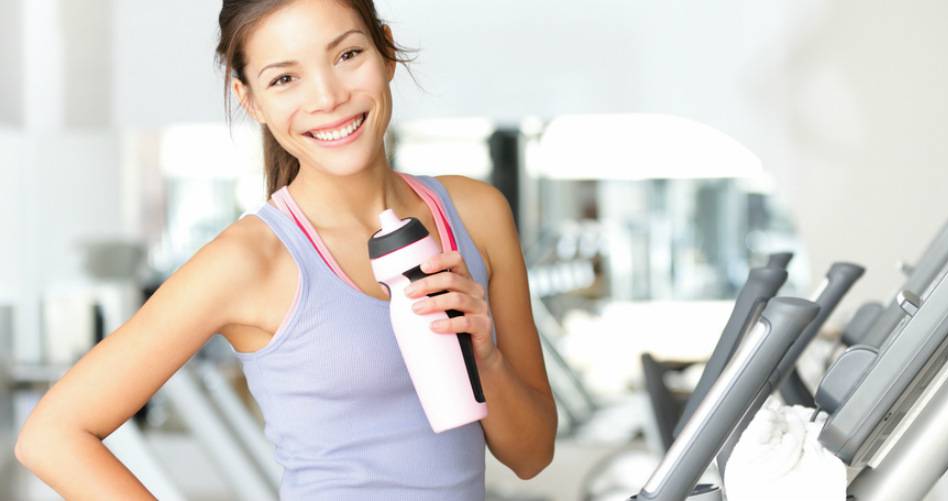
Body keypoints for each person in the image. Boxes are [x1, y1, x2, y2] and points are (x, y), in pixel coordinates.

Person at [14, 0, 557, 498]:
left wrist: (484, 357)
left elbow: (531, 456)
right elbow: (52, 435)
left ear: (385, 50)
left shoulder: (477, 214)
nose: (327, 97)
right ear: (248, 98)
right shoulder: (250, 261)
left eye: (347, 54)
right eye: (284, 78)